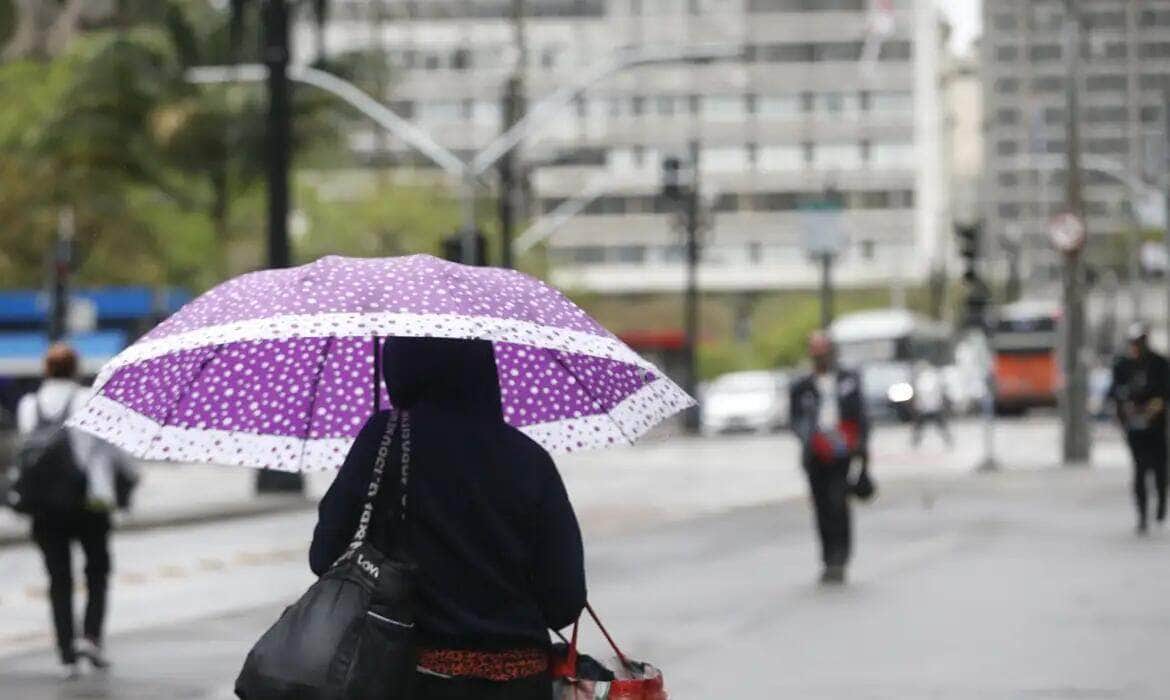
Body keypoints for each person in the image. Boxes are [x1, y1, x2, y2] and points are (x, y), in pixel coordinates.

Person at [310, 337, 586, 699]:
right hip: (520, 685)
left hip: (410, 680)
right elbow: (565, 600)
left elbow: (325, 555)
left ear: (401, 367)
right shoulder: (530, 459)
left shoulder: (385, 439)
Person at [16, 343, 129, 678]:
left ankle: (66, 653)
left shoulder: (28, 404)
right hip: (89, 502)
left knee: (58, 579)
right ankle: (91, 638)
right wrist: (130, 478)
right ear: (76, 368)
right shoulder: (89, 400)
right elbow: (111, 447)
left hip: (45, 506)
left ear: (46, 369)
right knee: (97, 572)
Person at [789, 332, 871, 585]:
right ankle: (827, 558)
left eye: (823, 350)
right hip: (815, 452)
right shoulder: (802, 386)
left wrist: (861, 447)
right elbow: (794, 419)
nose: (820, 356)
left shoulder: (848, 380)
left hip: (842, 451)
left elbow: (861, 415)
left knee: (838, 503)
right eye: (815, 351)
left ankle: (840, 557)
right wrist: (807, 438)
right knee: (822, 505)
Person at [1108, 323, 1170, 534]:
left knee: (1160, 469)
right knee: (1140, 469)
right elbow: (1114, 392)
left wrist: (1157, 405)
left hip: (1156, 425)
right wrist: (1121, 411)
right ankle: (1142, 515)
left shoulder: (1159, 363)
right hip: (1134, 426)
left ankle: (1161, 504)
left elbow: (1164, 391)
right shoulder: (1122, 365)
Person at [911, 361, 953, 448]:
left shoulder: (923, 380)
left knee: (922, 426)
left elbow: (921, 394)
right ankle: (948, 440)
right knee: (937, 425)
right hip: (932, 407)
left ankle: (915, 441)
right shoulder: (932, 378)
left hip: (927, 408)